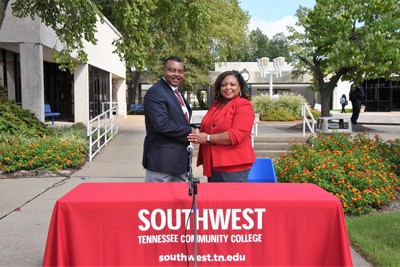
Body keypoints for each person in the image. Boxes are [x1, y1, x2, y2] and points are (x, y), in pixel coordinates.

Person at [188, 70, 256, 182]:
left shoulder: (244, 105)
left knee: (231, 199)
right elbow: (210, 127)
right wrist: (198, 133)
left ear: (240, 87)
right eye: (224, 85)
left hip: (233, 165)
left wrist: (208, 138)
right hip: (213, 164)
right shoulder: (216, 105)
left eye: (232, 84)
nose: (228, 88)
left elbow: (236, 135)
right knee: (215, 199)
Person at [142, 56, 198, 182]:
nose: (176, 74)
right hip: (162, 162)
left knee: (180, 200)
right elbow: (162, 124)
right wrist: (190, 131)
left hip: (180, 162)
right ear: (163, 70)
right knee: (158, 200)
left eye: (180, 71)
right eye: (172, 70)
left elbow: (181, 120)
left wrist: (195, 129)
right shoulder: (156, 92)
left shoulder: (176, 92)